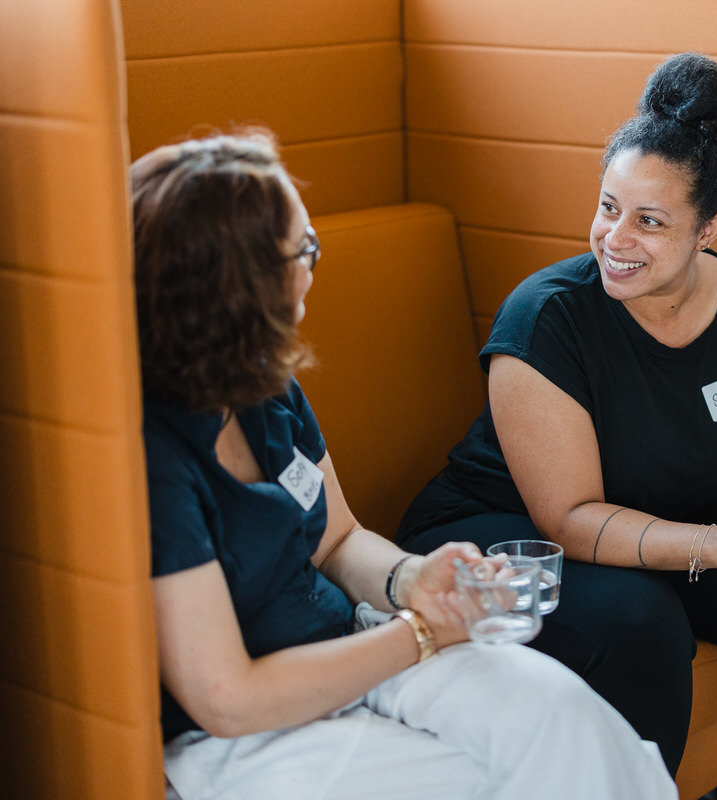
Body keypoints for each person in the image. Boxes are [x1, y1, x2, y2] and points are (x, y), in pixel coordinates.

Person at [135, 131, 678, 800]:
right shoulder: (152, 455)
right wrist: (421, 633)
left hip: (349, 641)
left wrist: (413, 578)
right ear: (238, 288)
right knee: (485, 782)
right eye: (304, 250)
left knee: (571, 725)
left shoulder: (265, 387)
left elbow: (336, 539)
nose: (314, 265)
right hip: (243, 732)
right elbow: (227, 699)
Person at [396, 53, 717, 800]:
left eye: (650, 221)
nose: (615, 237)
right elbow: (574, 519)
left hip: (661, 525)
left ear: (709, 228)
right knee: (642, 624)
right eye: (608, 206)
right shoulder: (546, 318)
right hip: (506, 532)